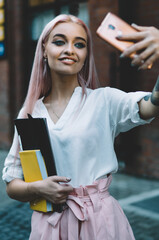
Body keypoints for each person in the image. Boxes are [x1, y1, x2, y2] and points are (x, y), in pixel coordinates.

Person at [2, 14, 159, 240]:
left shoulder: (104, 101)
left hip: (100, 223)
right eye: (59, 41)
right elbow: (12, 184)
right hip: (50, 226)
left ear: (86, 56)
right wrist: (37, 189)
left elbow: (152, 106)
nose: (70, 49)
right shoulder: (29, 113)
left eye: (79, 44)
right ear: (44, 50)